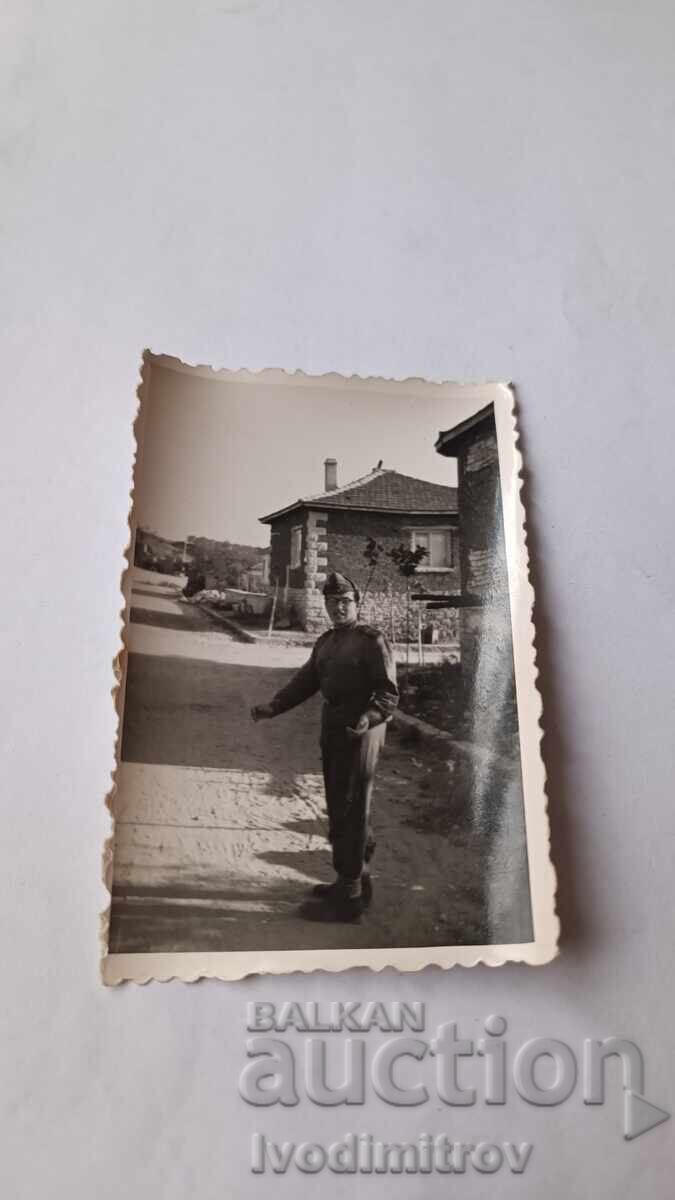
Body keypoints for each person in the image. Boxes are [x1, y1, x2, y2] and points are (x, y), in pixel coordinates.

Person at [251, 571, 398, 922]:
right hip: (333, 727)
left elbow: (387, 693)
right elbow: (306, 680)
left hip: (362, 731)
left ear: (356, 604)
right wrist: (275, 706)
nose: (338, 608)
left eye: (344, 602)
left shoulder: (372, 641)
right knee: (338, 803)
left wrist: (368, 718)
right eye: (332, 602)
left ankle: (349, 900)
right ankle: (355, 878)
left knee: (351, 805)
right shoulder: (327, 642)